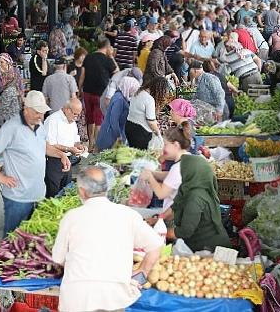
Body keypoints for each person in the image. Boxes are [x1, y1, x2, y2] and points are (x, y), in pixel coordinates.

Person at [52, 166, 163, 312]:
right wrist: (142, 272)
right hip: (114, 298)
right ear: (106, 188)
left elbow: (58, 259)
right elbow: (156, 246)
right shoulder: (127, 215)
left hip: (77, 299)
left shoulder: (71, 217)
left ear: (81, 191)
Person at [0, 91, 70, 236]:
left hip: (37, 194)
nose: (40, 116)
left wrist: (61, 154)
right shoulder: (12, 127)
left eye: (42, 112)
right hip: (18, 198)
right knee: (13, 241)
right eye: (37, 112)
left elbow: (44, 146)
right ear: (26, 108)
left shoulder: (39, 125)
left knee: (30, 240)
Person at [165, 153, 230, 251]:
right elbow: (176, 207)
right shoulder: (191, 188)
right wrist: (158, 219)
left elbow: (184, 231)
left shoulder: (195, 197)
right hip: (205, 247)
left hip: (211, 250)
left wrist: (158, 232)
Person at [140, 122, 193, 213]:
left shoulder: (177, 168)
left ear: (176, 145)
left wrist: (150, 178)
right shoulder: (189, 158)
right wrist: (154, 174)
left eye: (165, 145)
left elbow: (161, 193)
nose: (163, 149)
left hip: (175, 217)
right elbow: (172, 176)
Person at [80, 36, 118, 152]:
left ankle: (90, 143)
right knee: (98, 120)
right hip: (100, 94)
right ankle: (97, 146)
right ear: (107, 47)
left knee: (90, 118)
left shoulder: (88, 57)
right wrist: (111, 56)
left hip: (87, 91)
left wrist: (79, 89)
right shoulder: (107, 60)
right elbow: (117, 72)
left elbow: (82, 75)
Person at [44, 99, 85, 197]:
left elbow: (75, 141)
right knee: (53, 194)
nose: (76, 117)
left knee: (66, 192)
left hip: (68, 161)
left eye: (78, 114)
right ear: (67, 109)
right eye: (75, 114)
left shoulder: (72, 121)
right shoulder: (52, 120)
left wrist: (80, 146)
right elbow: (49, 145)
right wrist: (69, 149)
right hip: (53, 162)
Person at [97, 77, 141, 151]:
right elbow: (113, 120)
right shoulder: (119, 99)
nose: (134, 92)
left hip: (114, 134)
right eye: (133, 89)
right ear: (128, 87)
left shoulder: (121, 97)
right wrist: (119, 135)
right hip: (110, 136)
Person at [125, 77, 169, 150]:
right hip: (141, 132)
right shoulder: (149, 99)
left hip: (129, 126)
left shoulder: (138, 92)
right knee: (141, 155)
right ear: (159, 90)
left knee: (133, 152)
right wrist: (158, 134)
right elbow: (151, 122)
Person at [0, 53, 24, 126]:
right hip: (5, 98)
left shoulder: (15, 71)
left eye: (1, 62)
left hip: (15, 99)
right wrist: (3, 74)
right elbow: (1, 87)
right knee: (4, 120)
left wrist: (21, 96)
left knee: (14, 120)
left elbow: (20, 85)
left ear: (7, 62)